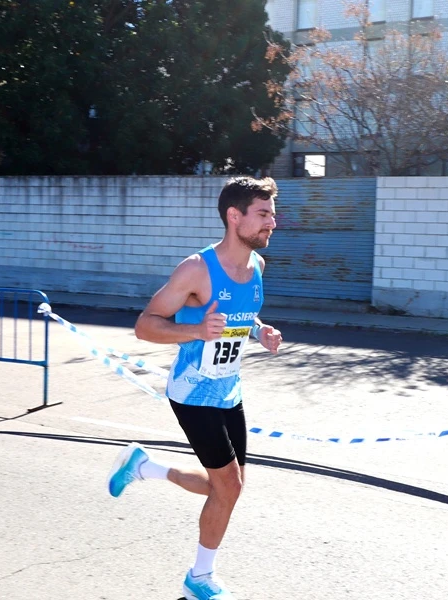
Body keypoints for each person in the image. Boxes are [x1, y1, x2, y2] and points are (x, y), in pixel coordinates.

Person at [106, 176, 283, 600]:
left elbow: (239, 317)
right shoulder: (196, 269)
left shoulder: (257, 266)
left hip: (228, 389)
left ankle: (142, 466)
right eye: (263, 214)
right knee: (229, 486)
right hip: (191, 392)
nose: (272, 223)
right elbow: (145, 326)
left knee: (228, 486)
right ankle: (198, 579)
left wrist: (259, 333)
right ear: (234, 216)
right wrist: (196, 331)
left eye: (273, 214)